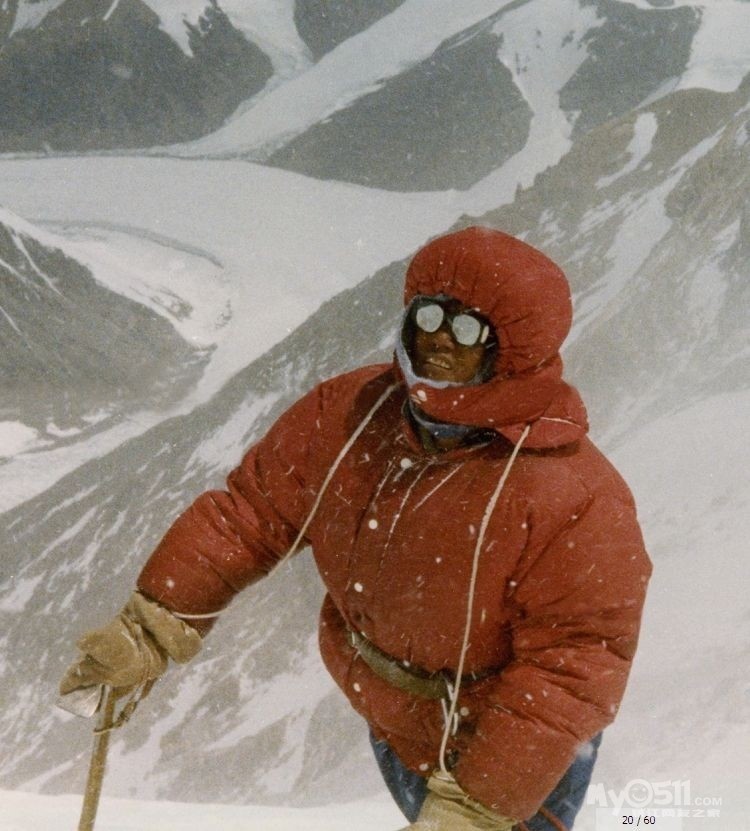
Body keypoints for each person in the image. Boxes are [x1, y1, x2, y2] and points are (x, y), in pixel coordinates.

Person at [60, 227, 652, 830]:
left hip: (507, 747)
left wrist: (478, 806)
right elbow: (251, 516)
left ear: (514, 349)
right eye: (429, 315)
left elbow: (571, 667)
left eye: (469, 328)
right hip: (394, 719)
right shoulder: (352, 412)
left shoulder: (574, 495)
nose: (440, 339)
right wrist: (150, 628)